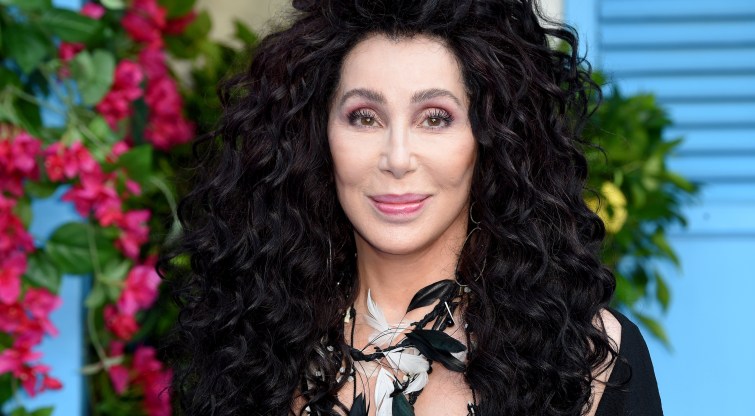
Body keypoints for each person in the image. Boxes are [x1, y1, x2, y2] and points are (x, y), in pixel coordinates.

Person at [159, 1, 664, 415]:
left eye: (436, 118)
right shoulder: (249, 346)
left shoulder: (589, 356)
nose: (397, 158)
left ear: (491, 140)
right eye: (364, 117)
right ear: (316, 138)